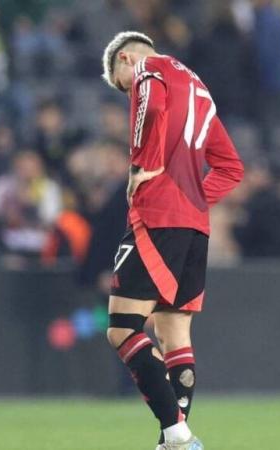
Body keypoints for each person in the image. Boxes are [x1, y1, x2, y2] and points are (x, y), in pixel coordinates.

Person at [101, 31, 244, 449]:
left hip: (158, 216)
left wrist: (140, 165)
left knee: (122, 329)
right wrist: (195, 197)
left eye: (123, 84)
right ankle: (171, 442)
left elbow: (151, 104)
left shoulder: (150, 68)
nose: (129, 94)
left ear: (127, 58)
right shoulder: (200, 89)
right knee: (173, 333)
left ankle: (178, 435)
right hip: (194, 225)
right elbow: (231, 167)